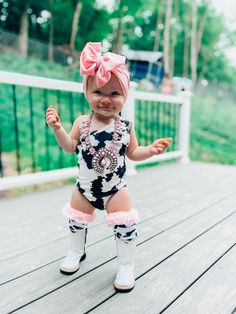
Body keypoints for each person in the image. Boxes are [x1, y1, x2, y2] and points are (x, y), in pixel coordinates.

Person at [45, 42, 172, 293]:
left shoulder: (125, 127)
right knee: (76, 220)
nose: (105, 99)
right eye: (98, 92)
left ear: (124, 97)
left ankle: (126, 264)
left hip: (115, 189)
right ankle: (75, 251)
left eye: (114, 94)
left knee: (125, 224)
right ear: (87, 93)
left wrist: (151, 150)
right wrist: (58, 129)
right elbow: (70, 147)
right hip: (85, 187)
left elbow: (133, 153)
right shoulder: (81, 122)